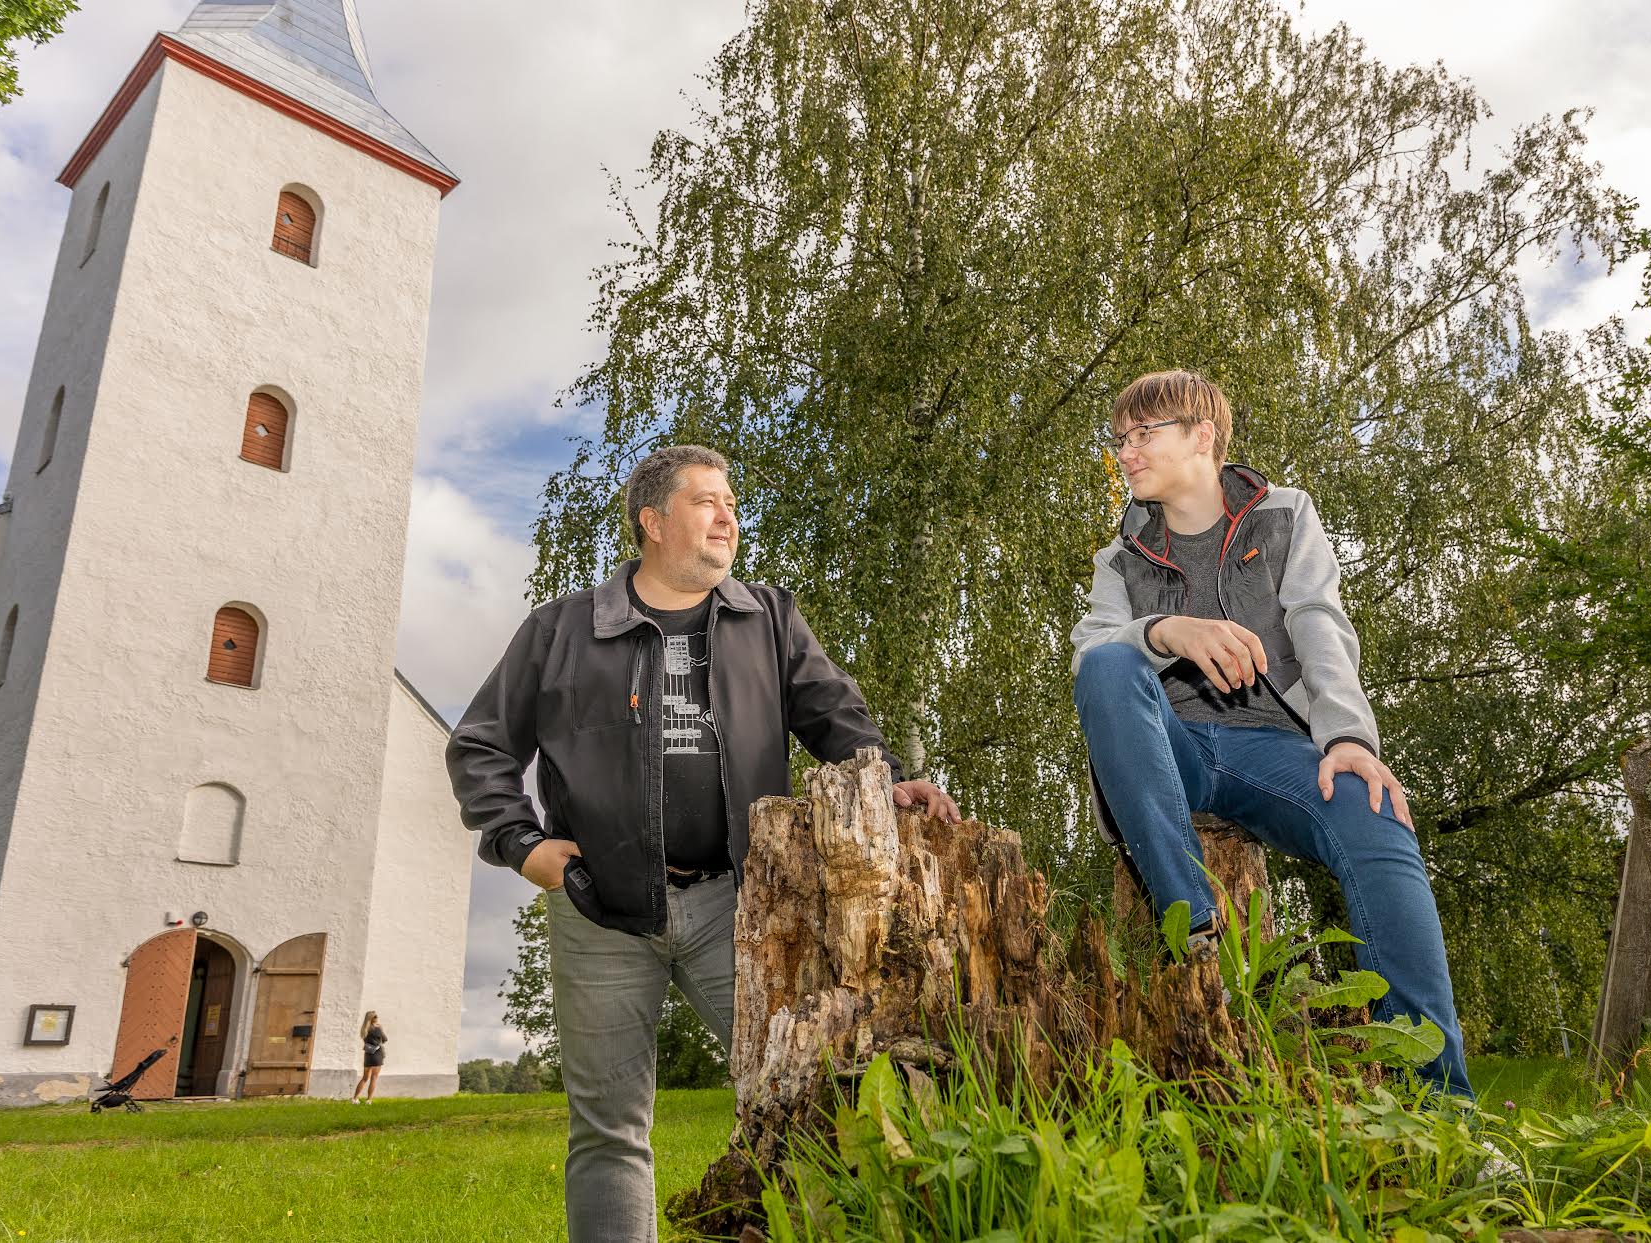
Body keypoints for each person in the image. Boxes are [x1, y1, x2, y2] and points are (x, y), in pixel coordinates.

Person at [447, 444, 958, 1242]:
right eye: (707, 501)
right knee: (609, 1128)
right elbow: (479, 746)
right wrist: (521, 844)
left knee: (806, 1092)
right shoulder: (560, 631)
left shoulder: (769, 619)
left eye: (732, 503)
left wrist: (887, 779)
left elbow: (837, 719)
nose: (729, 516)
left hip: (741, 906)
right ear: (652, 521)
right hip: (602, 911)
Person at [1070, 369, 1472, 1098]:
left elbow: (1320, 623)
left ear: (1202, 436)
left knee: (1375, 812)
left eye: (1143, 434)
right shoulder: (1118, 560)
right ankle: (1191, 923)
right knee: (1105, 665)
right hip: (1174, 752)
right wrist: (1168, 629)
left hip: (1276, 751)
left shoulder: (1284, 515)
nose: (1125, 452)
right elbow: (1091, 655)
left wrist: (1350, 738)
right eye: (1120, 438)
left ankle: (1441, 1103)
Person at [352, 1010, 385, 1103]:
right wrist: (381, 1029)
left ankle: (355, 1098)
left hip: (368, 1055)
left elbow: (366, 1041)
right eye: (375, 1016)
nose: (377, 1018)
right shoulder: (377, 1029)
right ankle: (369, 1100)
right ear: (371, 1018)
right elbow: (385, 1039)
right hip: (377, 1054)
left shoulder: (364, 1029)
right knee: (374, 1078)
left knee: (365, 1078)